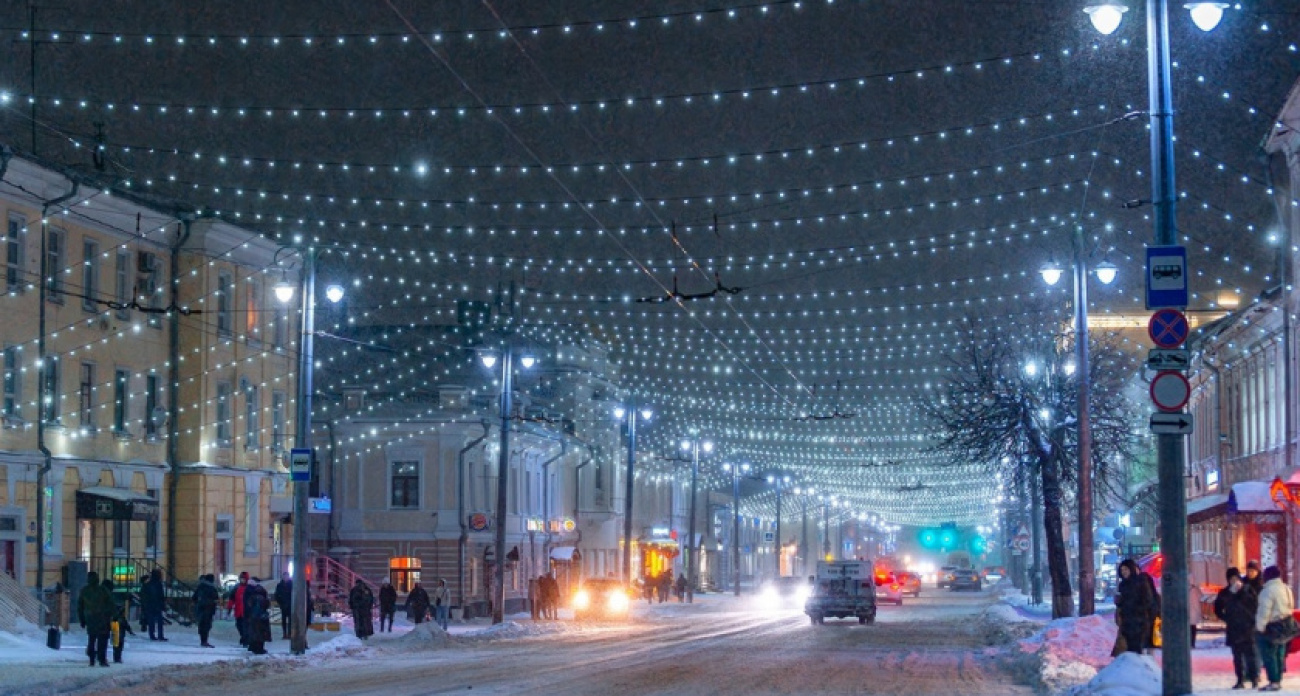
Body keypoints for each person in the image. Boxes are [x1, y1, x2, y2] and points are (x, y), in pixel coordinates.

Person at [1214, 567, 1260, 690]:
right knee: (1237, 656)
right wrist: (1226, 618)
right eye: (1231, 579)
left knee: (1251, 655)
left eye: (1236, 578)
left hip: (1248, 627)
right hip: (1234, 628)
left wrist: (1252, 619)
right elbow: (1217, 609)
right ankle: (1240, 679)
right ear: (1228, 580)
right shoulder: (1225, 593)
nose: (1234, 581)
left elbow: (1255, 605)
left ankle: (1254, 678)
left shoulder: (1248, 590)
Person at [1255, 565, 1294, 691]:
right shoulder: (1286, 588)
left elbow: (1264, 611)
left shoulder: (1267, 591)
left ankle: (1273, 680)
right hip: (1285, 625)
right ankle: (1278, 679)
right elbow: (1291, 605)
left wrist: (1260, 627)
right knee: (1280, 653)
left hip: (1272, 626)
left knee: (1269, 654)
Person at [1114, 559, 1156, 656]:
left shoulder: (1141, 581)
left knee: (1137, 647)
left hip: (1139, 620)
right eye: (1122, 570)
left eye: (1126, 569)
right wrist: (1118, 602)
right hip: (1127, 621)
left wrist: (1137, 609)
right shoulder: (1122, 585)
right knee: (1129, 648)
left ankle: (1138, 667)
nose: (1124, 572)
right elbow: (1122, 602)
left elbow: (1148, 599)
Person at [77, 571, 114, 667]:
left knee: (92, 638)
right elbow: (111, 604)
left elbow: (80, 607)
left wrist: (82, 619)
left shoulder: (84, 591)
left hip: (90, 618)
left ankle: (92, 659)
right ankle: (102, 660)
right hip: (103, 618)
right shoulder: (103, 590)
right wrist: (113, 615)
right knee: (103, 639)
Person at [101, 580, 135, 663]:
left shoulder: (100, 596)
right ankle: (117, 657)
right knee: (117, 640)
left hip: (103, 620)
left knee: (102, 640)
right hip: (115, 620)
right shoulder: (117, 597)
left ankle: (101, 657)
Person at [244, 577, 272, 655]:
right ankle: (259, 648)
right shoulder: (261, 597)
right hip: (261, 617)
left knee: (254, 632)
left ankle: (254, 647)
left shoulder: (250, 595)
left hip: (253, 616)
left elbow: (248, 606)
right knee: (260, 633)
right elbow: (267, 605)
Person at [192, 573, 219, 648]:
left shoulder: (200, 587)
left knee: (202, 624)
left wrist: (198, 603)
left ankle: (202, 640)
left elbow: (194, 597)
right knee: (206, 625)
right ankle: (205, 641)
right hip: (209, 609)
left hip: (200, 608)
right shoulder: (212, 588)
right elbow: (216, 598)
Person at [141, 568, 168, 641]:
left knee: (151, 621)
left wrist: (145, 605)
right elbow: (161, 595)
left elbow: (144, 595)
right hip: (157, 605)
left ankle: (152, 635)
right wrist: (163, 605)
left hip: (150, 605)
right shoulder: (158, 584)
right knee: (159, 621)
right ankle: (160, 636)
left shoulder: (148, 584)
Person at [227, 571, 251, 646]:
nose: (242, 580)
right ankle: (243, 637)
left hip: (247, 611)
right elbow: (232, 599)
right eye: (241, 579)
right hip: (238, 611)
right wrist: (229, 608)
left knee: (246, 626)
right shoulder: (236, 588)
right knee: (239, 626)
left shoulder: (249, 588)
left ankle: (245, 639)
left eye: (244, 579)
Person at [273, 572, 294, 639]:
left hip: (291, 605)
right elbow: (276, 595)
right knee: (284, 620)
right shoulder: (279, 585)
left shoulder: (292, 584)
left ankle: (290, 633)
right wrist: (280, 603)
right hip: (283, 605)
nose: (285, 578)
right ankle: (285, 633)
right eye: (284, 576)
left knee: (291, 620)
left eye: (286, 576)